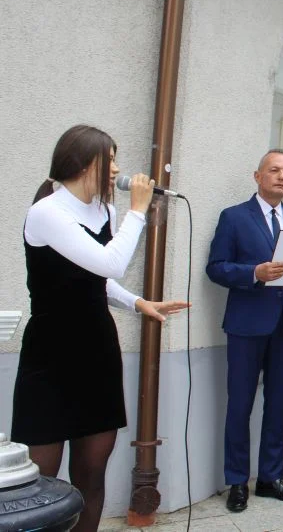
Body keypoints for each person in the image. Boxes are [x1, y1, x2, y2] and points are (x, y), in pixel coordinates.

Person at [11, 125, 188, 531]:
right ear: (83, 160)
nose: (117, 168)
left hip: (96, 350)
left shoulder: (104, 212)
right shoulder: (47, 212)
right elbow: (110, 262)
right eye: (110, 158)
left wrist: (138, 302)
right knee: (43, 478)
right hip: (52, 354)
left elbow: (98, 278)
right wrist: (139, 210)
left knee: (91, 471)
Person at [206, 149, 283, 513]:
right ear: (258, 176)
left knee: (278, 405)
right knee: (240, 405)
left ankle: (270, 476)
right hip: (246, 324)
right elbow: (216, 268)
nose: (282, 177)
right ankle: (238, 480)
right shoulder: (234, 217)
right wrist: (254, 273)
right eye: (274, 171)